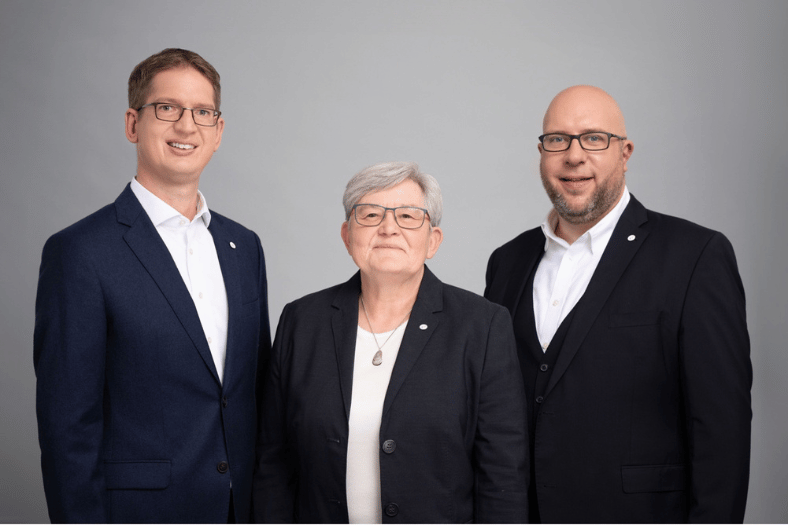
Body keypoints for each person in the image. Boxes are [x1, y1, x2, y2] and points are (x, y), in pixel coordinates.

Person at [484, 85, 752, 523]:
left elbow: (722, 428)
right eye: (558, 139)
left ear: (624, 153)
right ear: (542, 153)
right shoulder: (507, 262)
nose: (574, 156)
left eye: (594, 138)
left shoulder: (695, 256)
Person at [34, 48, 271, 523]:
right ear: (133, 124)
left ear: (218, 131)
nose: (187, 126)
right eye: (167, 108)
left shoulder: (244, 247)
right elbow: (67, 429)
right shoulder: (80, 252)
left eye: (202, 112)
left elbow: (256, 396)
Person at [253, 161, 528, 523]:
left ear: (433, 240)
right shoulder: (302, 322)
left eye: (408, 216)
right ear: (347, 235)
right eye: (370, 215)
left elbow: (503, 477)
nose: (388, 228)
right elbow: (274, 463)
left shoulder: (482, 327)